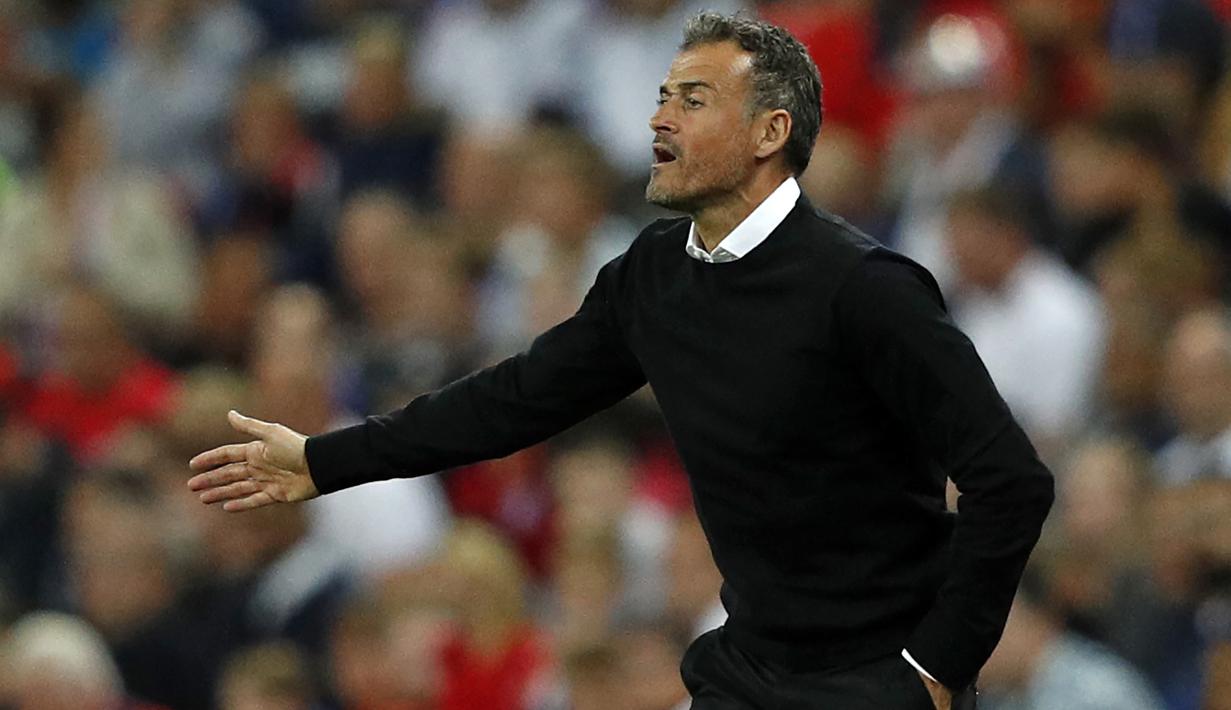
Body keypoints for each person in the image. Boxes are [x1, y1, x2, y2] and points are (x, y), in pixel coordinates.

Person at [188, 12, 1054, 710]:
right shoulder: (653, 275)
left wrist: (935, 668)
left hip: (871, 680)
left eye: (692, 100)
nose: (658, 119)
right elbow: (513, 399)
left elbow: (1009, 480)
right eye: (662, 96)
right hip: (746, 667)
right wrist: (324, 460)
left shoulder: (865, 288)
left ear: (769, 132)